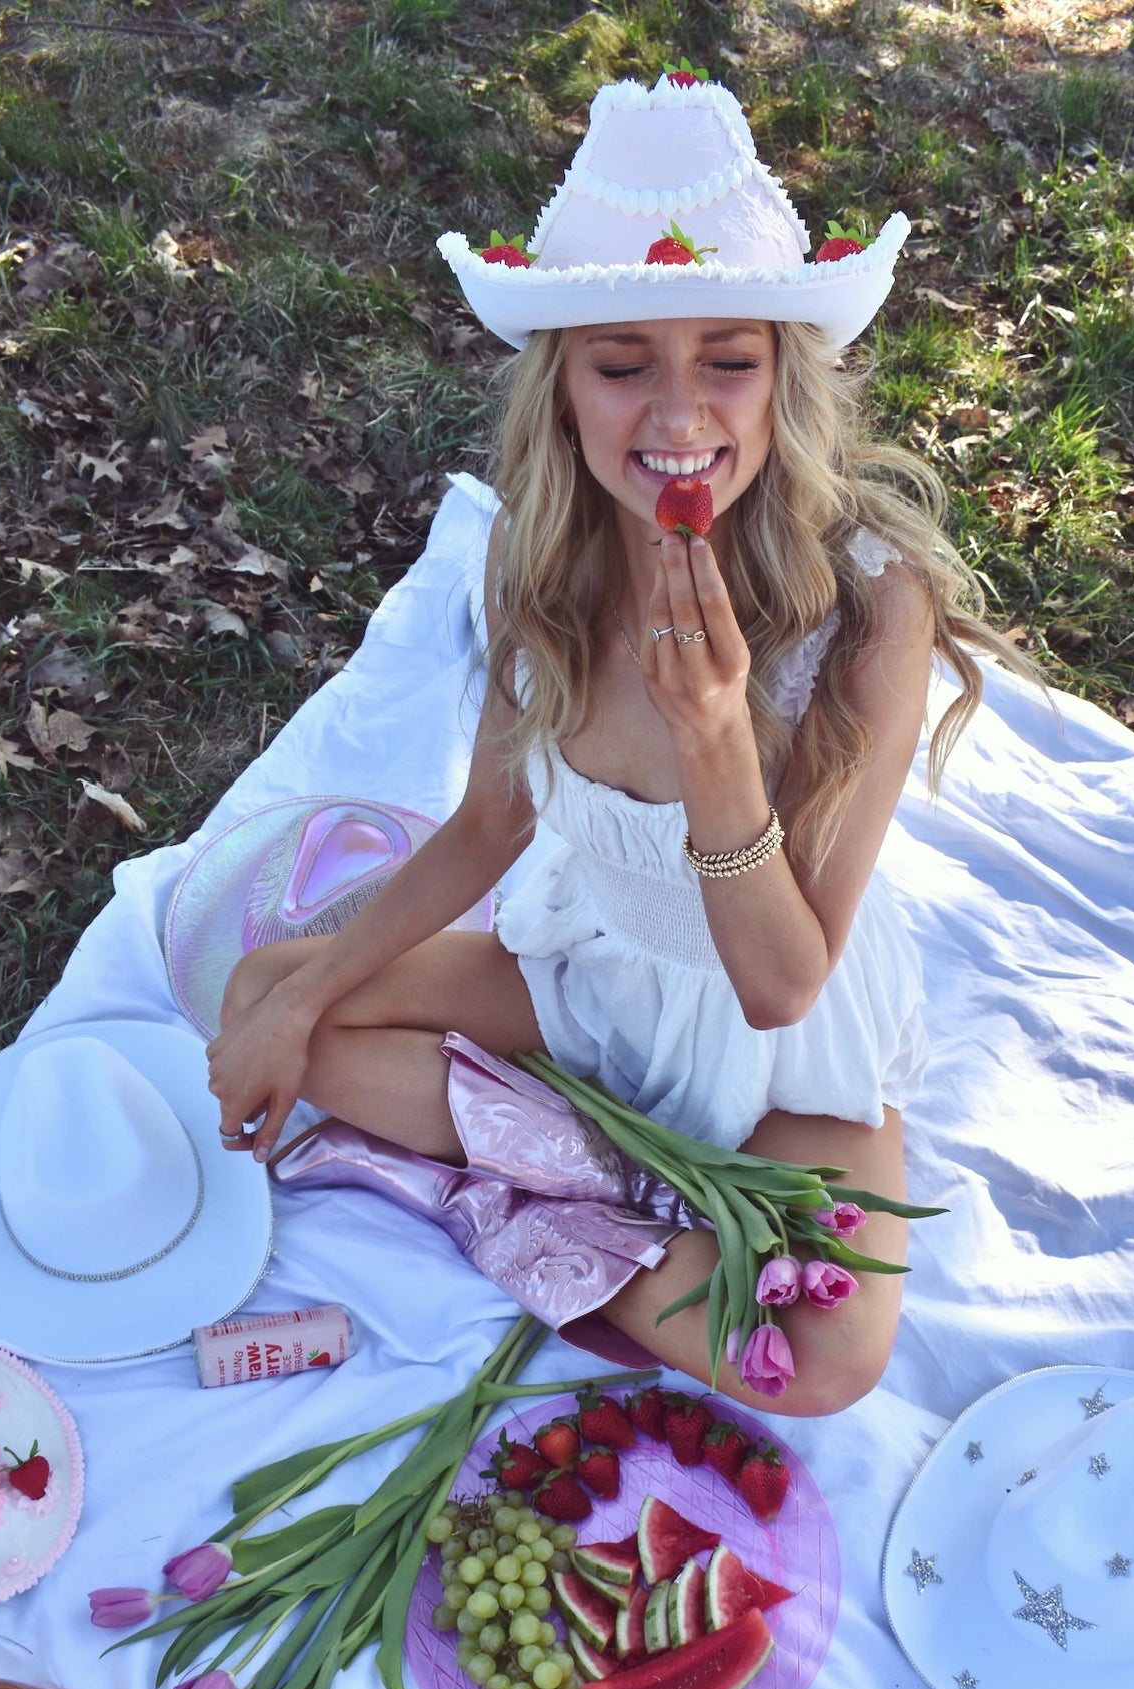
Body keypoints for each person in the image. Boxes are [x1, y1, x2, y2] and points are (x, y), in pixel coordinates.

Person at [204, 73, 1028, 1416]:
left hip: (780, 1052)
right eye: (620, 360)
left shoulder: (870, 603)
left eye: (728, 357)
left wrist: (714, 745)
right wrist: (301, 1000)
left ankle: (538, 1198)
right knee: (265, 1001)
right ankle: (603, 1178)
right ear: (562, 386)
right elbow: (485, 828)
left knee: (822, 1362)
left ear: (782, 377)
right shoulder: (540, 566)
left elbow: (779, 983)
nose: (677, 413)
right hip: (590, 983)